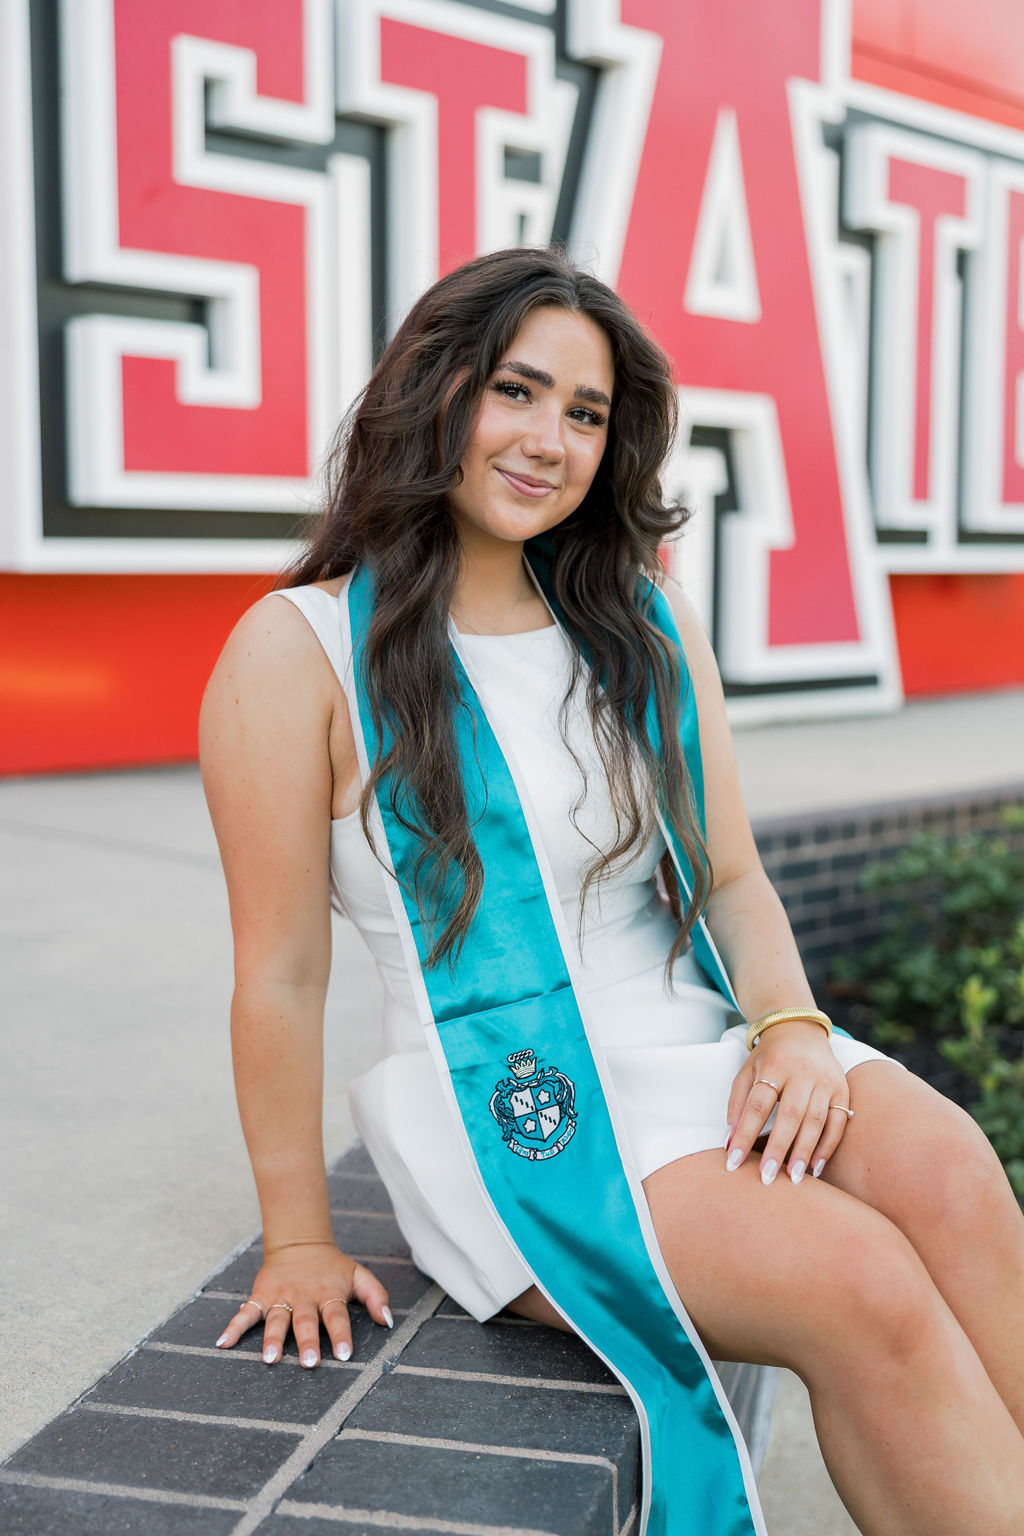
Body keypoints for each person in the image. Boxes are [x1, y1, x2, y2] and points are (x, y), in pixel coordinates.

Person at [199, 245, 1024, 1536]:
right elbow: (279, 972)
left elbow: (735, 878)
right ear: (435, 391)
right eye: (517, 392)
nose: (550, 440)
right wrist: (297, 1232)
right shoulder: (295, 655)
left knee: (956, 1169)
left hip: (685, 1039)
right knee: (857, 1280)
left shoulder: (634, 616)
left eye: (585, 414)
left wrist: (792, 1031)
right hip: (508, 1103)